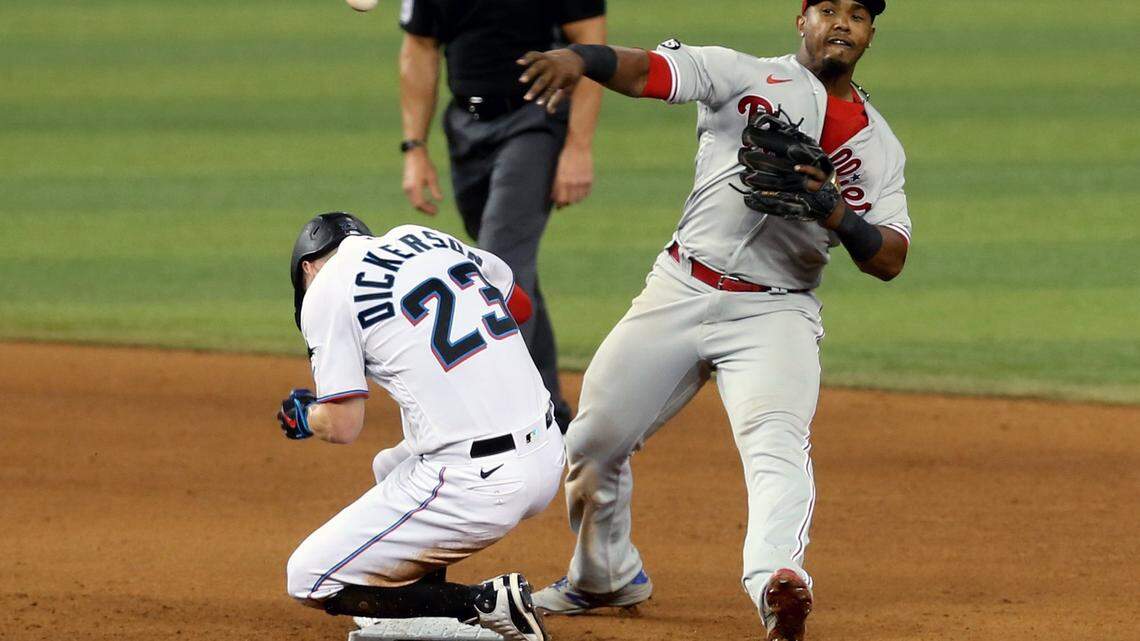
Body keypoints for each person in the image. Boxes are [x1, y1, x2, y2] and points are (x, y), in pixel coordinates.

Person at [515, 1, 909, 640]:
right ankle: (602, 576)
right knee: (591, 443)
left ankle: (778, 582)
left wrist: (837, 213)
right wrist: (578, 59)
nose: (842, 23)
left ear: (870, 34)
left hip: (775, 311)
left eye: (859, 14)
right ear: (801, 21)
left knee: (776, 445)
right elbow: (648, 72)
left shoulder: (877, 146)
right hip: (679, 287)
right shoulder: (743, 75)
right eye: (828, 9)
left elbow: (890, 257)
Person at [277, 212, 566, 641]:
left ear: (308, 266)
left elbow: (341, 425)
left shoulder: (327, 287)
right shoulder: (423, 237)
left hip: (479, 486)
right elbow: (519, 306)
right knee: (390, 466)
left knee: (307, 578)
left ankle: (484, 604)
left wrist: (306, 416)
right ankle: (419, 615)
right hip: (548, 448)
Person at [397, 0, 607, 430]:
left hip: (536, 119)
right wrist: (414, 149)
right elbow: (419, 47)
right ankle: (551, 406)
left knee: (498, 262)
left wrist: (578, 146)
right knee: (509, 268)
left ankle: (504, 415)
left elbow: (591, 43)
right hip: (464, 126)